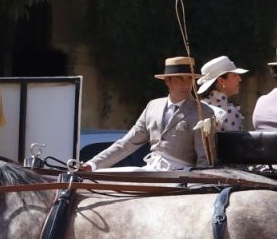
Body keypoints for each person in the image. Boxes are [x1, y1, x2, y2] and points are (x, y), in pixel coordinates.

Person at [82, 56, 213, 172]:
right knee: (106, 177)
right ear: (167, 80)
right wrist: (92, 164)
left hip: (181, 176)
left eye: (189, 78)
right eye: (179, 78)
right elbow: (127, 143)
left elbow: (205, 159)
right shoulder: (153, 107)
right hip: (151, 169)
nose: (186, 84)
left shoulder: (202, 111)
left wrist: (195, 187)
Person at [197, 55, 249, 132]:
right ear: (221, 81)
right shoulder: (228, 113)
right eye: (234, 75)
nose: (240, 79)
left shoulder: (200, 106)